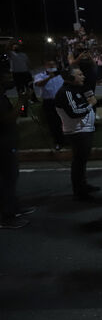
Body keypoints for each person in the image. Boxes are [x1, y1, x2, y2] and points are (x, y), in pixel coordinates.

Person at [54, 68, 100, 200]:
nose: (83, 77)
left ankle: (83, 185)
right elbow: (74, 112)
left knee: (82, 160)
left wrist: (101, 100)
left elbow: (92, 102)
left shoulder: (79, 89)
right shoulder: (65, 92)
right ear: (70, 78)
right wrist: (90, 105)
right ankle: (79, 190)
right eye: (80, 75)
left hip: (85, 129)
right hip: (77, 131)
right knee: (79, 161)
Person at [0, 92, 36, 228]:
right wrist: (21, 101)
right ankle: (7, 217)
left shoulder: (2, 96)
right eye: (6, 73)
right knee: (7, 180)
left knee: (11, 177)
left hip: (8, 143)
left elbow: (15, 113)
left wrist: (22, 105)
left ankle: (14, 207)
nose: (10, 76)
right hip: (3, 146)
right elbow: (7, 118)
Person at [33, 61, 65, 150]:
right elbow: (38, 84)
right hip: (49, 102)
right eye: (49, 64)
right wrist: (49, 77)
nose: (51, 66)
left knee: (63, 121)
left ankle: (66, 140)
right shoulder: (41, 75)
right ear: (45, 65)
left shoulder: (61, 74)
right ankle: (58, 142)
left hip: (61, 100)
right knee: (53, 123)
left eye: (53, 64)